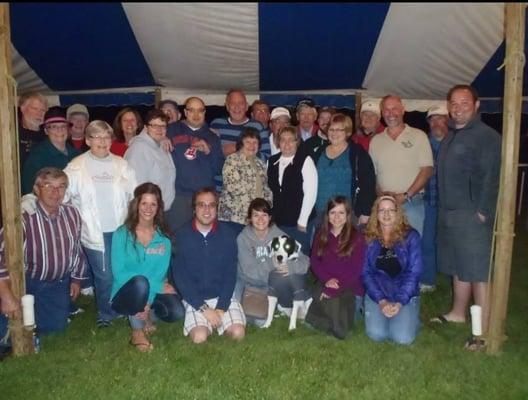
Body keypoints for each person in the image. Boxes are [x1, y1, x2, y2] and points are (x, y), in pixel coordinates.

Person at [434, 85, 501, 351]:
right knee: (458, 267)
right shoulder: (452, 135)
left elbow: (491, 177)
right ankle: (458, 313)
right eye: (453, 102)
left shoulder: (486, 136)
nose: (457, 107)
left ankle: (483, 332)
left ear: (477, 104)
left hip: (472, 216)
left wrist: (483, 212)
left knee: (477, 272)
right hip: (450, 213)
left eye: (464, 102)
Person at [64, 120, 137, 328]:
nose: (103, 141)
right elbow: (63, 196)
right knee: (104, 275)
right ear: (88, 140)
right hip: (93, 231)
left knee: (119, 271)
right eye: (97, 137)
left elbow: (134, 195)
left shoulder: (122, 165)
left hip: (120, 229)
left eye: (106, 136)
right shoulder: (76, 167)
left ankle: (120, 307)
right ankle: (106, 314)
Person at [0, 167, 86, 338]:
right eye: (48, 186)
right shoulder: (23, 218)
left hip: (57, 284)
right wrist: (6, 295)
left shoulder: (72, 214)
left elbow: (76, 248)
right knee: (10, 328)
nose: (55, 192)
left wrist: (76, 279)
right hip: (27, 282)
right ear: (36, 189)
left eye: (61, 186)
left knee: (54, 329)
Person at [110, 183, 184, 352]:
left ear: (159, 208)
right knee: (140, 282)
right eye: (144, 203)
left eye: (153, 204)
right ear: (136, 204)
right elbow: (119, 273)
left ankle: (145, 316)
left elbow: (159, 274)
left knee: (177, 312)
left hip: (149, 292)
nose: (148, 208)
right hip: (124, 292)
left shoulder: (164, 240)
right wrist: (153, 290)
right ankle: (137, 332)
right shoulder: (121, 234)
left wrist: (147, 303)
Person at [171, 188, 246, 344]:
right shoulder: (180, 236)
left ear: (217, 209)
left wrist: (221, 307)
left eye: (211, 205)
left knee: (238, 333)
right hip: (195, 300)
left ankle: (221, 324)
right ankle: (206, 325)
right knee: (199, 337)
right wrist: (204, 309)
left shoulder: (228, 234)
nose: (207, 210)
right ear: (194, 209)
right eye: (201, 205)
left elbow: (230, 273)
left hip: (221, 297)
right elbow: (181, 279)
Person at [235, 198, 310, 327]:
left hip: (271, 285)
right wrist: (272, 264)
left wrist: (291, 267)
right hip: (248, 284)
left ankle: (290, 303)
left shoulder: (279, 235)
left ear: (270, 218)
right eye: (256, 215)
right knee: (243, 321)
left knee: (260, 321)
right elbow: (249, 273)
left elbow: (305, 261)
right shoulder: (242, 238)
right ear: (249, 219)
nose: (260, 219)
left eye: (264, 215)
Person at [362, 195, 422, 345]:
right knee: (376, 335)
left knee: (402, 338)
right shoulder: (367, 238)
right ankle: (376, 311)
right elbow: (365, 273)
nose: (387, 214)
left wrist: (401, 302)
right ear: (376, 214)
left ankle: (410, 315)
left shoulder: (411, 237)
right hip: (378, 294)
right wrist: (381, 301)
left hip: (404, 295)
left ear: (398, 213)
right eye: (382, 210)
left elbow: (414, 274)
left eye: (391, 210)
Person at [369, 95, 434, 235]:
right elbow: (372, 174)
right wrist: (382, 196)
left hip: (411, 204)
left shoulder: (419, 136)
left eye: (395, 109)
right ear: (382, 112)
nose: (391, 113)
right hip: (385, 206)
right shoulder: (376, 141)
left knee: (411, 250)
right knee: (387, 250)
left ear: (403, 110)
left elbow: (427, 170)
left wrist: (406, 195)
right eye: (386, 109)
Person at [307, 196, 367, 339]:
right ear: (327, 216)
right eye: (333, 212)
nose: (337, 217)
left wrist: (336, 287)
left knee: (332, 300)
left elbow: (356, 269)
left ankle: (337, 328)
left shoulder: (357, 237)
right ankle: (328, 321)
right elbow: (315, 261)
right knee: (320, 295)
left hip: (350, 285)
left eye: (341, 213)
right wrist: (327, 280)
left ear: (348, 216)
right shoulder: (321, 234)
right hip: (326, 280)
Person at [167, 96, 224, 232]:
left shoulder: (213, 137)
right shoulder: (171, 130)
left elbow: (219, 169)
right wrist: (162, 139)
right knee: (177, 237)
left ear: (205, 113)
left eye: (200, 111)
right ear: (185, 112)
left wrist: (208, 151)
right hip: (179, 196)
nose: (196, 115)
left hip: (204, 199)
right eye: (191, 110)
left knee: (204, 235)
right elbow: (150, 132)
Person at [313, 113, 376, 228]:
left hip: (348, 215)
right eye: (331, 129)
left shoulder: (357, 153)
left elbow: (368, 183)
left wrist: (366, 212)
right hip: (321, 213)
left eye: (339, 130)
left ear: (347, 132)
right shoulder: (318, 152)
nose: (334, 133)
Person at [267, 125, 318, 254]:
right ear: (278, 142)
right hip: (278, 221)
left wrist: (302, 221)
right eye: (283, 140)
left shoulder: (305, 160)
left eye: (291, 140)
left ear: (297, 142)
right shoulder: (271, 162)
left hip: (299, 223)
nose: (287, 143)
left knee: (298, 258)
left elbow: (310, 193)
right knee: (280, 256)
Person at [211, 89, 270, 191]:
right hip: (221, 190)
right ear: (227, 106)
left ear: (247, 106)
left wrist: (239, 148)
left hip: (248, 191)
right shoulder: (216, 124)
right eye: (232, 103)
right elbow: (209, 157)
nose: (237, 107)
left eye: (240, 103)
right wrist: (220, 152)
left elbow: (267, 159)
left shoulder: (258, 127)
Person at [218, 128, 273, 234]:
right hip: (234, 219)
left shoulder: (260, 164)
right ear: (241, 143)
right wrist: (251, 213)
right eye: (247, 142)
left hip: (254, 218)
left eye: (255, 142)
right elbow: (233, 188)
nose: (251, 145)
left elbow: (266, 188)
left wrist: (267, 207)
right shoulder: (232, 160)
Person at [420, 105, 449, 293]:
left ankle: (451, 277)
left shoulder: (455, 142)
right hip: (428, 200)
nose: (437, 122)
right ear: (429, 123)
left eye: (441, 118)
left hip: (451, 203)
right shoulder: (422, 143)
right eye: (433, 119)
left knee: (449, 241)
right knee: (427, 241)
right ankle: (428, 280)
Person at [124, 109, 176, 213]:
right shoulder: (138, 149)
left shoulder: (161, 145)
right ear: (146, 127)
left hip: (161, 210)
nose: (159, 129)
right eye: (155, 126)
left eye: (162, 126)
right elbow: (136, 186)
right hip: (147, 212)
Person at [21, 107, 80, 194]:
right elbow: (30, 189)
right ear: (46, 130)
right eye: (54, 127)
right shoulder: (37, 156)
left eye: (63, 126)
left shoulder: (77, 154)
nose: (59, 130)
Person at [17, 92, 48, 169]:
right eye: (35, 109)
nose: (39, 114)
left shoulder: (49, 136)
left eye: (43, 110)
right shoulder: (12, 134)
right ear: (23, 108)